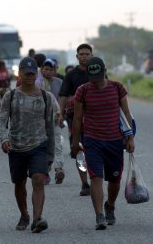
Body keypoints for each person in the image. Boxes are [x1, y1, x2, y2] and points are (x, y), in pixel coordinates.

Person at [72, 57, 135, 230]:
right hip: (92, 142)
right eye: (93, 77)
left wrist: (130, 138)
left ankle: (110, 206)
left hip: (115, 141)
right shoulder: (82, 91)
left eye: (99, 76)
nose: (96, 81)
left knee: (115, 180)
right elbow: (77, 118)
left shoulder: (117, 88)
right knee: (96, 178)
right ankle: (99, 215)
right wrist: (75, 142)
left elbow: (126, 114)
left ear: (105, 70)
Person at [0, 57, 54, 233]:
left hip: (39, 144)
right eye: (26, 73)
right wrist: (4, 139)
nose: (30, 76)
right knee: (19, 184)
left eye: (32, 73)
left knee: (38, 179)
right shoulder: (11, 95)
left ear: (36, 74)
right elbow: (2, 121)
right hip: (16, 146)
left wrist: (51, 153)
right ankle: (24, 215)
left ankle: (37, 219)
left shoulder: (46, 97)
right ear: (20, 74)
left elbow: (50, 125)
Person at [58, 43, 93, 196]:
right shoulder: (71, 75)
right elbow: (64, 95)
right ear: (77, 56)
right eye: (81, 54)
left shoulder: (97, 71)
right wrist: (60, 114)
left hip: (95, 117)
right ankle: (85, 183)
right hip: (75, 118)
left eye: (87, 54)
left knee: (94, 149)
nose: (84, 56)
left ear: (91, 56)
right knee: (78, 149)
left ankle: (95, 179)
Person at [40, 59, 64, 184]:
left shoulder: (59, 82)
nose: (47, 71)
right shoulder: (37, 83)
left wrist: (61, 115)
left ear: (54, 70)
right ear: (41, 69)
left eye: (50, 69)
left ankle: (59, 168)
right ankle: (45, 171)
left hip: (55, 117)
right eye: (45, 69)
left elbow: (62, 99)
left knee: (57, 144)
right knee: (44, 146)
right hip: (40, 120)